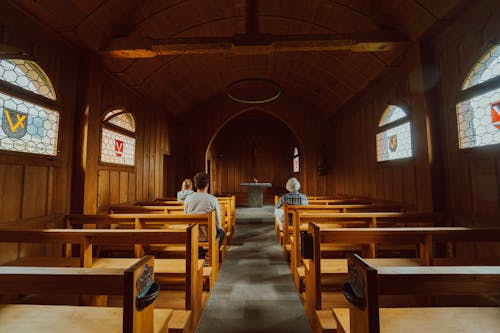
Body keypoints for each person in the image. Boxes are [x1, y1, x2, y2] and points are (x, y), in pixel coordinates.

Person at [184, 172, 225, 248]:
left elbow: (186, 215)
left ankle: (199, 253)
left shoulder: (188, 199)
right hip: (208, 234)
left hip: (193, 233)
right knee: (222, 232)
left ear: (195, 185)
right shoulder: (213, 199)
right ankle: (215, 253)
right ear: (207, 185)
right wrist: (218, 227)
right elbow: (218, 220)